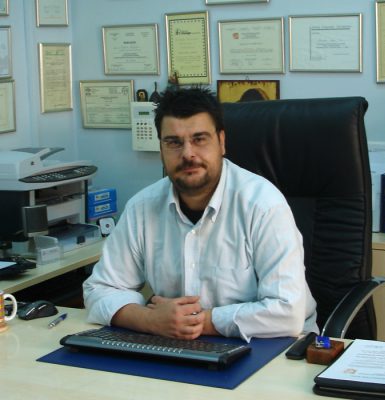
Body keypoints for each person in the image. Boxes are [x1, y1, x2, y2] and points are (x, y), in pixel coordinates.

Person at [83, 87, 318, 341]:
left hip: (273, 345)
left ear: (222, 142)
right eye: (173, 142)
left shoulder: (263, 206)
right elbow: (99, 289)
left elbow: (288, 311)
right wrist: (150, 320)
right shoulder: (142, 208)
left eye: (199, 139)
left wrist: (196, 322)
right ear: (161, 149)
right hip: (178, 344)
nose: (187, 154)